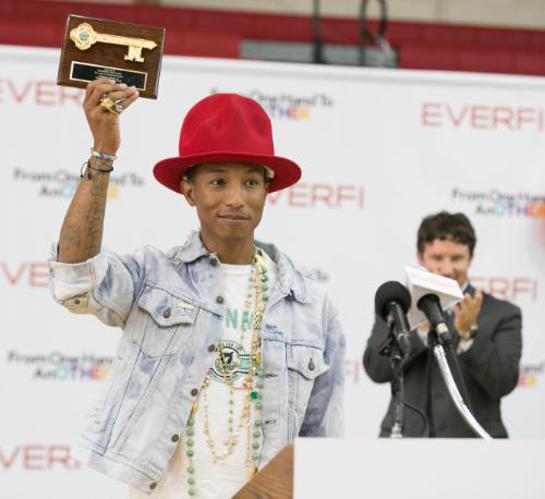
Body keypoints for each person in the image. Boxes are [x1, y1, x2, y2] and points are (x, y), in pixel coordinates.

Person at [48, 78, 345, 498]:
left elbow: (319, 446)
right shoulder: (154, 276)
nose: (236, 199)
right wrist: (103, 154)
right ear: (189, 190)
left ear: (266, 191)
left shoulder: (311, 305)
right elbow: (74, 278)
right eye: (218, 182)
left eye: (251, 183)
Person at [363, 211, 522, 438]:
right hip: (404, 443)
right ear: (420, 257)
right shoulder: (397, 305)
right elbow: (376, 370)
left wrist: (469, 336)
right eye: (437, 258)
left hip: (475, 448)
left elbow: (503, 382)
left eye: (457, 258)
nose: (447, 269)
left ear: (471, 257)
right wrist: (418, 329)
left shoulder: (502, 313)